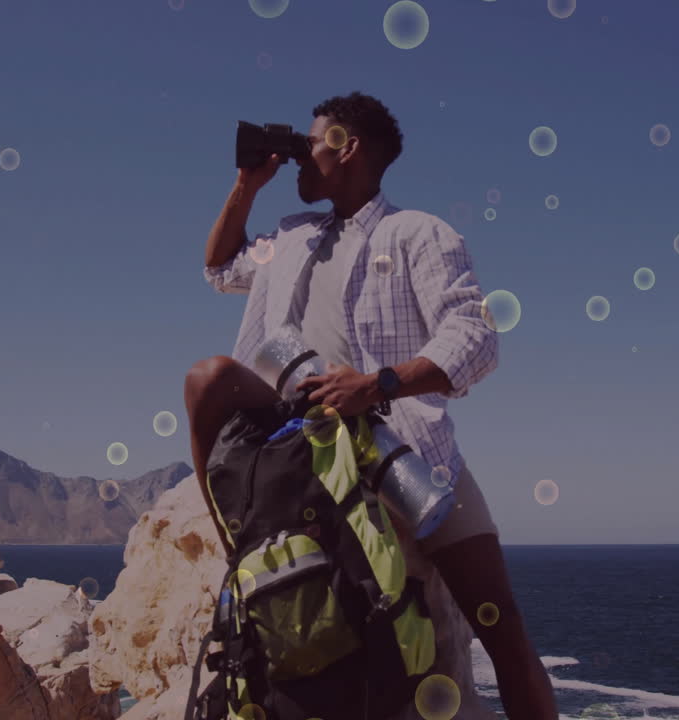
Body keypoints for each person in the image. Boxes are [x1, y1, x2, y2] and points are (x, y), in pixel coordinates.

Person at [185, 91, 558, 719]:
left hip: (406, 451)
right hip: (298, 446)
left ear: (347, 147)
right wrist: (247, 184)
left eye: (311, 143)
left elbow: (475, 336)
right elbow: (219, 268)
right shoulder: (292, 236)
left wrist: (375, 385)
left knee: (504, 633)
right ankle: (237, 529)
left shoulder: (417, 233)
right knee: (208, 378)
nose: (299, 156)